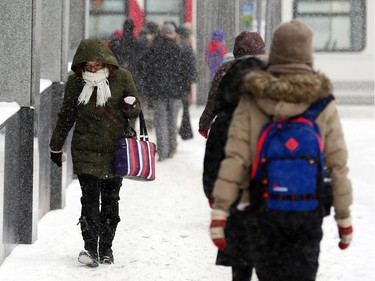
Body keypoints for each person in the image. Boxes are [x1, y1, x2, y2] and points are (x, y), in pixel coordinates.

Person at [209, 20, 353, 281]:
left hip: (264, 207)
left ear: (274, 52)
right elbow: (338, 164)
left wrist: (220, 211)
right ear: (308, 53)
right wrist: (343, 218)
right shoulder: (323, 102)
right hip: (308, 208)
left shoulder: (253, 97)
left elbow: (236, 158)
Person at [49, 38, 141, 267]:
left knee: (111, 201)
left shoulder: (122, 78)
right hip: (85, 150)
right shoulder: (75, 84)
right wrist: (55, 146)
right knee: (89, 201)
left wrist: (131, 105)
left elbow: (134, 112)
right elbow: (66, 116)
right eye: (87, 66)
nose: (92, 70)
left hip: (115, 150)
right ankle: (90, 248)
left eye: (96, 65)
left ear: (106, 62)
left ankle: (106, 248)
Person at [200, 31, 266, 281]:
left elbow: (213, 99)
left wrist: (212, 193)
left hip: (235, 192)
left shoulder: (227, 71)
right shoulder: (270, 74)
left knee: (240, 256)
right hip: (266, 191)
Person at [138, 23, 185, 161]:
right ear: (173, 34)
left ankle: (162, 151)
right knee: (172, 120)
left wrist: (150, 84)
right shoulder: (178, 49)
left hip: (158, 91)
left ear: (161, 33)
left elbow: (144, 67)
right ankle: (172, 148)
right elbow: (183, 71)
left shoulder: (153, 48)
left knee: (160, 121)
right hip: (175, 91)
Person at [176, 25, 197, 140]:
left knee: (181, 106)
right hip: (186, 80)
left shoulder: (180, 46)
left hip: (179, 79)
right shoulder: (188, 46)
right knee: (185, 106)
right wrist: (192, 78)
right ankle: (186, 130)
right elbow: (191, 65)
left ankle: (185, 130)